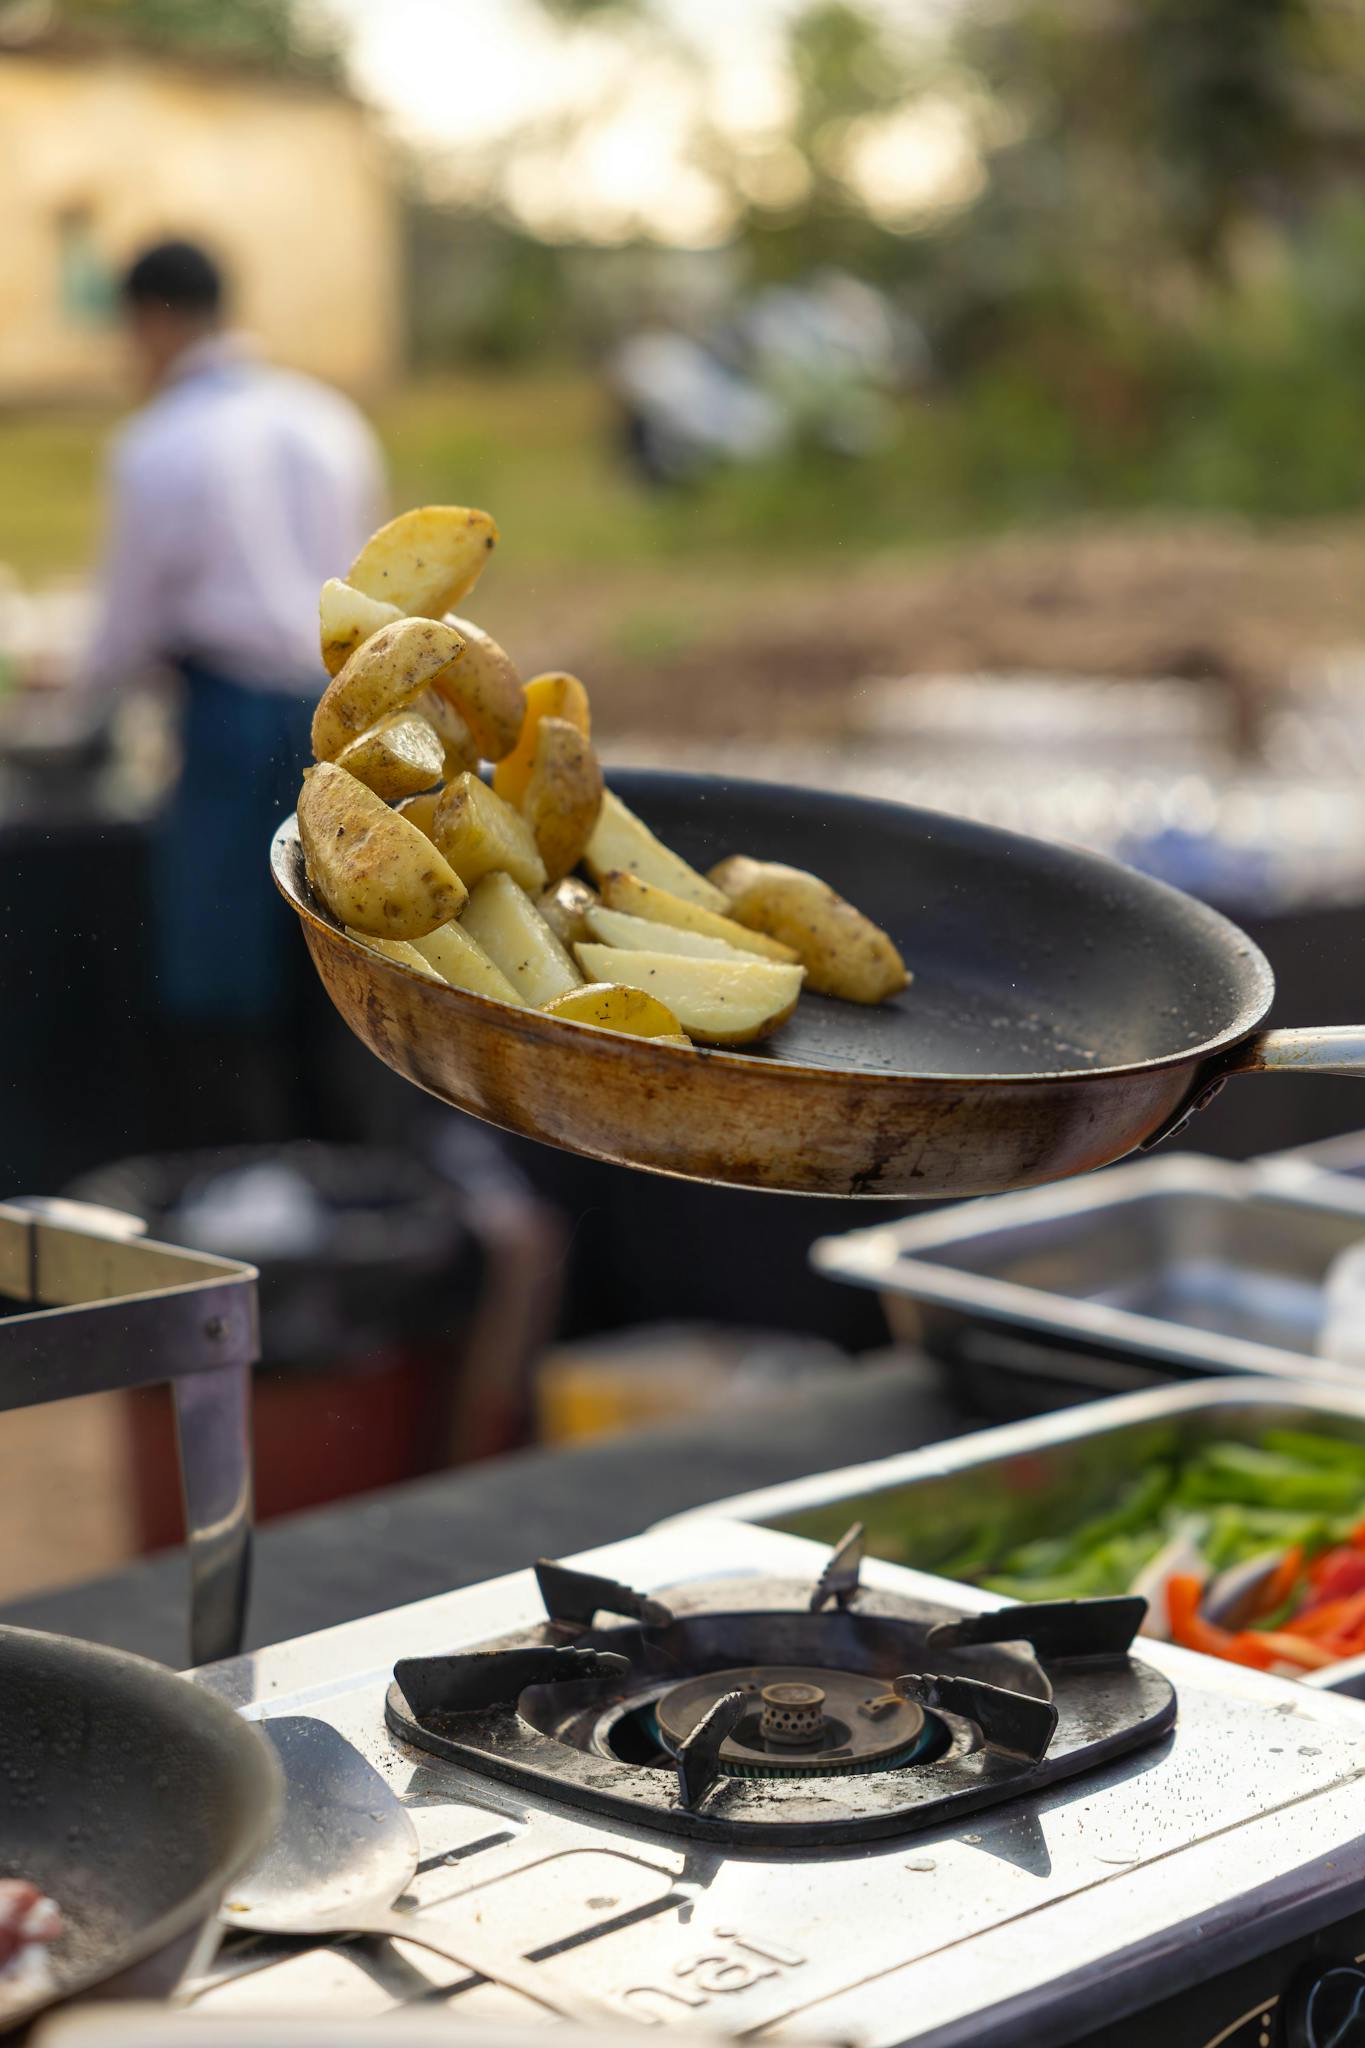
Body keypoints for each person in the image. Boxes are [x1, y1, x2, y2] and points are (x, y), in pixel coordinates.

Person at [83, 238, 387, 1146]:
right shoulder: (329, 420)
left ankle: (243, 1174)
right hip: (340, 712)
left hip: (227, 715)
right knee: (338, 948)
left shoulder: (157, 443)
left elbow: (126, 625)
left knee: (221, 961)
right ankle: (350, 1169)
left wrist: (73, 699)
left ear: (157, 319)